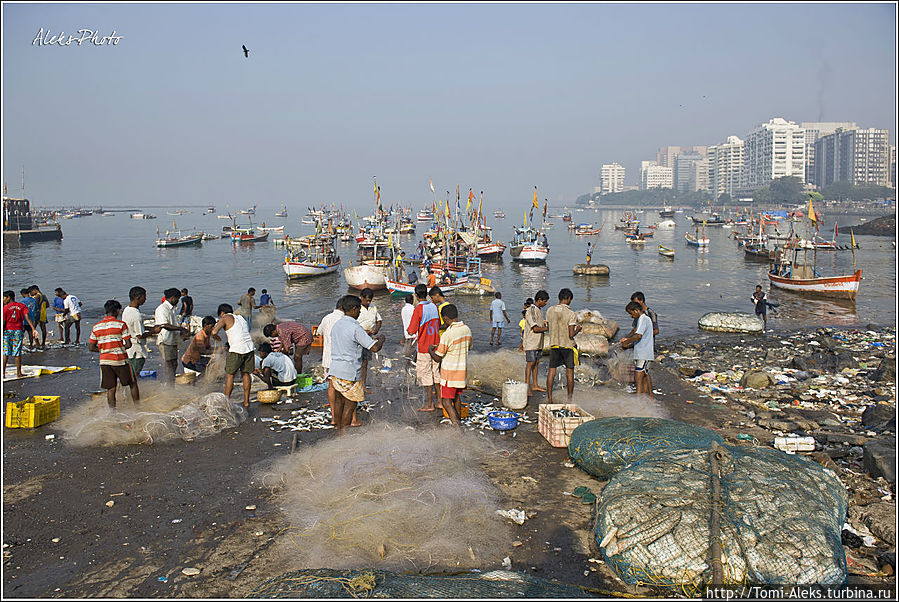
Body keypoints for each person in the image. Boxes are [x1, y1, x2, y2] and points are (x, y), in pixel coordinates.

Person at [328, 295, 385, 432]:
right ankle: (344, 434)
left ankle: (339, 430)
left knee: (339, 402)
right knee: (350, 405)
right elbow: (374, 347)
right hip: (350, 372)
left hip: (335, 370)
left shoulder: (337, 324)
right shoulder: (355, 328)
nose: (360, 312)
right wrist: (381, 339)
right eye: (359, 309)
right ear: (353, 309)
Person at [89, 299, 138, 410]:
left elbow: (91, 347)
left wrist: (104, 349)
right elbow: (129, 344)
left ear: (106, 311)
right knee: (132, 383)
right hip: (119, 359)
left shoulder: (96, 327)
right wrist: (118, 347)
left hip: (105, 360)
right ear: (117, 311)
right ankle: (138, 408)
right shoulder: (121, 325)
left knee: (111, 389)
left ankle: (113, 412)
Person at [428, 304, 472, 426]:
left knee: (446, 401)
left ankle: (457, 427)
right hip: (461, 372)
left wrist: (430, 350)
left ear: (446, 318)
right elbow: (468, 346)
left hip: (449, 373)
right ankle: (459, 421)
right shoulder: (467, 329)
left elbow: (437, 358)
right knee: (457, 397)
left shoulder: (448, 334)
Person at [211, 303, 255, 408]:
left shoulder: (225, 317)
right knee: (245, 374)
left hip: (236, 349)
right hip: (249, 347)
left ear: (221, 313)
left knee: (230, 375)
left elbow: (214, 331)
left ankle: (226, 401)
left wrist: (216, 337)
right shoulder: (240, 318)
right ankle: (246, 401)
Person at [407, 283, 441, 412]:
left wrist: (409, 331)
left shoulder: (419, 309)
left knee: (426, 375)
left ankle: (429, 404)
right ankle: (440, 401)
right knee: (436, 374)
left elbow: (411, 330)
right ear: (426, 294)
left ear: (415, 295)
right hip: (436, 345)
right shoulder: (434, 306)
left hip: (425, 347)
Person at [122, 286, 160, 399]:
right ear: (138, 298)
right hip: (136, 350)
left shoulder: (127, 310)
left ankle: (127, 395)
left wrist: (148, 327)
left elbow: (134, 327)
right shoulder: (136, 314)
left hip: (129, 349)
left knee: (130, 375)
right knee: (134, 377)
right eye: (144, 297)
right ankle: (133, 400)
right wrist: (154, 331)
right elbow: (139, 334)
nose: (146, 299)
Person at [545, 288, 581, 403]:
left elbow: (549, 327)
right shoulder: (571, 314)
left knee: (552, 371)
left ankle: (549, 399)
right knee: (569, 373)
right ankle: (569, 400)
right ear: (569, 298)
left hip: (554, 344)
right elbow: (571, 334)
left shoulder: (550, 310)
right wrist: (578, 329)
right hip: (567, 346)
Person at [620, 301, 655, 398]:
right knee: (645, 375)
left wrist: (627, 342)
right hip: (645, 353)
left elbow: (638, 336)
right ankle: (649, 396)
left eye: (631, 313)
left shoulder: (643, 319)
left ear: (636, 311)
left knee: (638, 377)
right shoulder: (643, 319)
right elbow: (637, 334)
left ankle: (639, 398)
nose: (630, 316)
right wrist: (627, 340)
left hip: (643, 353)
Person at [154, 288, 189, 385]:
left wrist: (181, 333)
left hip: (172, 341)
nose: (178, 301)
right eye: (177, 299)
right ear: (172, 298)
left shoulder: (172, 309)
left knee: (174, 364)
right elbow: (164, 325)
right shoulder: (162, 309)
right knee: (169, 364)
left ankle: (171, 383)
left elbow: (173, 324)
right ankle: (169, 385)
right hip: (165, 341)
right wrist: (181, 329)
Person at [3, 290, 35, 379]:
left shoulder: (5, 308)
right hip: (18, 331)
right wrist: (33, 328)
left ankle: (3, 373)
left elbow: (4, 322)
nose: (2, 300)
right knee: (17, 352)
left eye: (4, 297)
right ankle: (18, 373)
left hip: (7, 331)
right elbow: (27, 318)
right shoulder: (21, 306)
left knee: (5, 352)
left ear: (9, 297)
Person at [524, 290, 550, 396]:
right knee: (530, 363)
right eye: (545, 301)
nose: (546, 303)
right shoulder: (531, 310)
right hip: (531, 342)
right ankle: (526, 387)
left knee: (537, 362)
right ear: (539, 300)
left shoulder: (539, 310)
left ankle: (535, 384)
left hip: (539, 342)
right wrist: (548, 328)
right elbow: (535, 328)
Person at [357, 288, 382, 393]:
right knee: (357, 362)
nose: (368, 302)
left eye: (369, 300)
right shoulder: (357, 308)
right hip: (358, 338)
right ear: (361, 298)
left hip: (369, 338)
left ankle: (363, 385)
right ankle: (356, 385)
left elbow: (379, 320)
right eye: (366, 300)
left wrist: (376, 330)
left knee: (365, 362)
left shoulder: (373, 307)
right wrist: (363, 331)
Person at [401, 293, 417, 359]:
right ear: (412, 301)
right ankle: (410, 359)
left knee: (409, 345)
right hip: (413, 330)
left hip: (406, 330)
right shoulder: (413, 309)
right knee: (414, 347)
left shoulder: (403, 309)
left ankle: (407, 357)